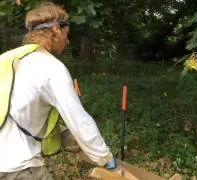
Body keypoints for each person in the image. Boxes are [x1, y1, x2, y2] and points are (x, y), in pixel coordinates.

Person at [0, 2, 116, 179]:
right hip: (18, 166)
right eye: (66, 34)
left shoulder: (6, 59)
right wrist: (103, 157)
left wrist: (63, 134)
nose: (67, 41)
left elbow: (16, 108)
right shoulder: (51, 68)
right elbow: (79, 120)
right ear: (56, 29)